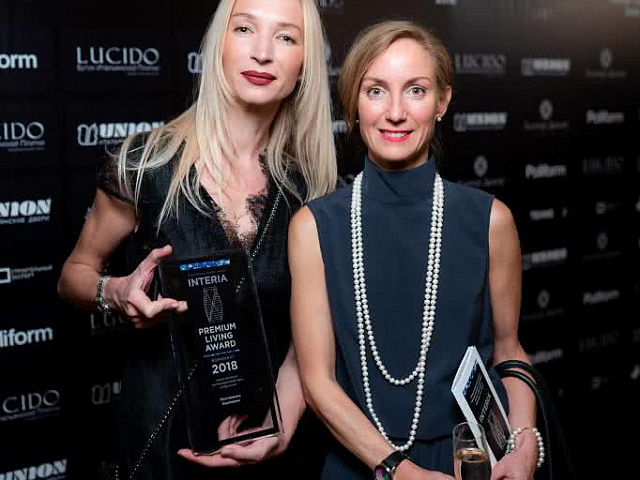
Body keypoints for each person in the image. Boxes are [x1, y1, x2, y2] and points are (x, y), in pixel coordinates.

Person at [57, 0, 336, 478]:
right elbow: (73, 276)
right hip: (160, 446)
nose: (263, 52)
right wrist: (115, 291)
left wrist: (281, 425)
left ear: (304, 65)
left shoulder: (312, 191)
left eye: (286, 37)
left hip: (270, 448)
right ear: (218, 44)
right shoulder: (144, 164)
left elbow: (309, 338)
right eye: (244, 29)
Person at [289, 20, 540, 480]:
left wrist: (524, 442)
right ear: (354, 103)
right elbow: (317, 383)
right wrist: (401, 471)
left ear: (442, 101)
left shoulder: (491, 221)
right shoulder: (314, 227)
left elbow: (509, 352)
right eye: (376, 91)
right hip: (360, 465)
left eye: (416, 91)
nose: (395, 112)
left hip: (471, 464)